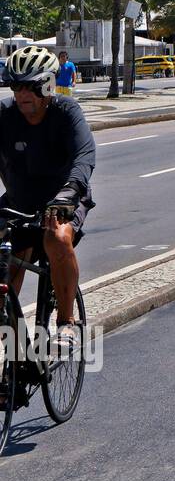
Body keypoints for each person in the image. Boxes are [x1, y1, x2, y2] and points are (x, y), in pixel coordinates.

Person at [0, 47, 95, 356]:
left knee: (56, 236)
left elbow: (85, 155)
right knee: (5, 268)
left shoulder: (67, 112)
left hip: (64, 198)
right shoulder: (5, 116)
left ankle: (67, 321)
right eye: (16, 86)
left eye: (31, 85)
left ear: (48, 85)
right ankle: (15, 361)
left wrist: (70, 192)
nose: (22, 93)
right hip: (18, 201)